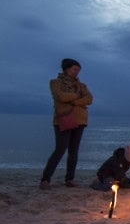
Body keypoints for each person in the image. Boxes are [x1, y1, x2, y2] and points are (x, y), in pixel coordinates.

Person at [40, 58, 93, 189]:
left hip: (80, 120)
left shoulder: (82, 86)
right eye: (75, 69)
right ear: (67, 69)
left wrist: (74, 102)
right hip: (63, 119)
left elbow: (89, 99)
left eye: (78, 70)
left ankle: (70, 179)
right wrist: (78, 96)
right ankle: (45, 179)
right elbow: (61, 97)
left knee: (73, 151)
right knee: (60, 149)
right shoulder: (55, 83)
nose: (77, 73)